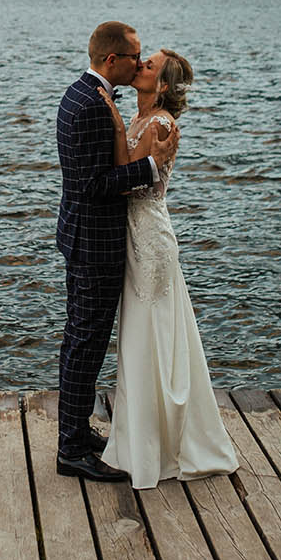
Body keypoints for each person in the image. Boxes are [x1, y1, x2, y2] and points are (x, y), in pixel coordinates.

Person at [98, 47, 239, 489]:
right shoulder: (145, 118)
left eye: (150, 65)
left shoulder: (159, 122)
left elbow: (126, 176)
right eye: (142, 60)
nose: (140, 65)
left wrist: (117, 124)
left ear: (161, 84)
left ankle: (160, 444)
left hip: (150, 239)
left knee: (151, 331)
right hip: (134, 235)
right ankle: (142, 437)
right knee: (140, 332)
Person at [55, 21, 178, 481]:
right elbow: (92, 185)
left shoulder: (82, 95)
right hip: (95, 242)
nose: (138, 64)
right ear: (112, 61)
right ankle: (70, 448)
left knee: (81, 341)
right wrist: (149, 165)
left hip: (85, 236)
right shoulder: (90, 105)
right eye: (134, 57)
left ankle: (77, 431)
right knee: (85, 343)